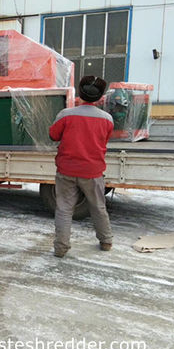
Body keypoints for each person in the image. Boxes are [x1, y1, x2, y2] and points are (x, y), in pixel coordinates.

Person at [48, 76, 114, 258]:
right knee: (98, 206)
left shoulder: (65, 114)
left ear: (80, 93)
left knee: (64, 209)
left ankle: (60, 248)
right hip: (93, 171)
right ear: (100, 97)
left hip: (66, 170)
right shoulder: (107, 119)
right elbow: (104, 140)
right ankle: (106, 241)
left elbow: (53, 135)